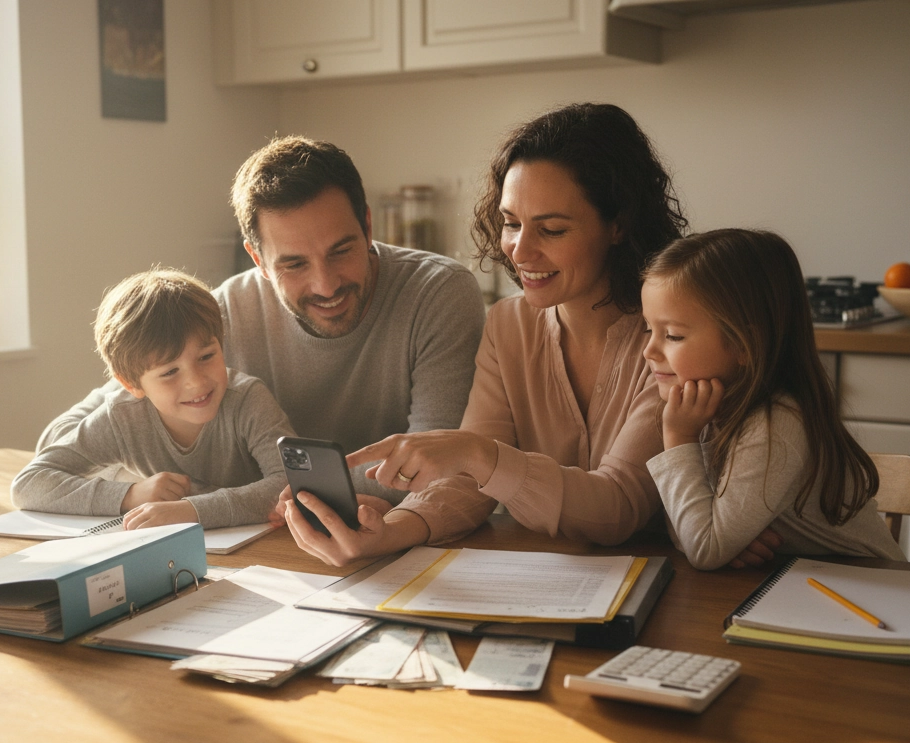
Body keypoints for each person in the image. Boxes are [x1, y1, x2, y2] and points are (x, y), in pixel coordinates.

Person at [281, 103, 689, 567]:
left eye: (552, 229)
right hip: (542, 579)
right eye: (511, 223)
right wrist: (388, 532)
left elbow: (618, 508)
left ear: (619, 225)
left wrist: (478, 453)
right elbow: (468, 485)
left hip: (669, 587)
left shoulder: (673, 339)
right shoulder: (508, 324)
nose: (520, 249)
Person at [39, 136, 485, 507]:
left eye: (341, 251)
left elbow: (434, 463)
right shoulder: (227, 310)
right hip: (264, 537)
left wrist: (264, 492)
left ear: (368, 226)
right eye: (293, 264)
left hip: (400, 536)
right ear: (258, 260)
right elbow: (71, 433)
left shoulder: (438, 293)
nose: (325, 285)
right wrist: (129, 492)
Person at [640, 229, 905, 569]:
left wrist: (679, 440)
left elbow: (703, 549)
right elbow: (689, 526)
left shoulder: (776, 423)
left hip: (870, 587)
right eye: (649, 328)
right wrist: (718, 539)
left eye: (673, 335)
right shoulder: (705, 407)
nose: (649, 350)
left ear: (743, 345)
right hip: (793, 581)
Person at [12, 269, 294, 530]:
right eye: (170, 371)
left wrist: (191, 510)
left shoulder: (248, 400)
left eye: (207, 356)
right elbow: (29, 485)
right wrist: (130, 495)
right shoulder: (122, 416)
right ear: (130, 383)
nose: (196, 381)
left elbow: (289, 482)